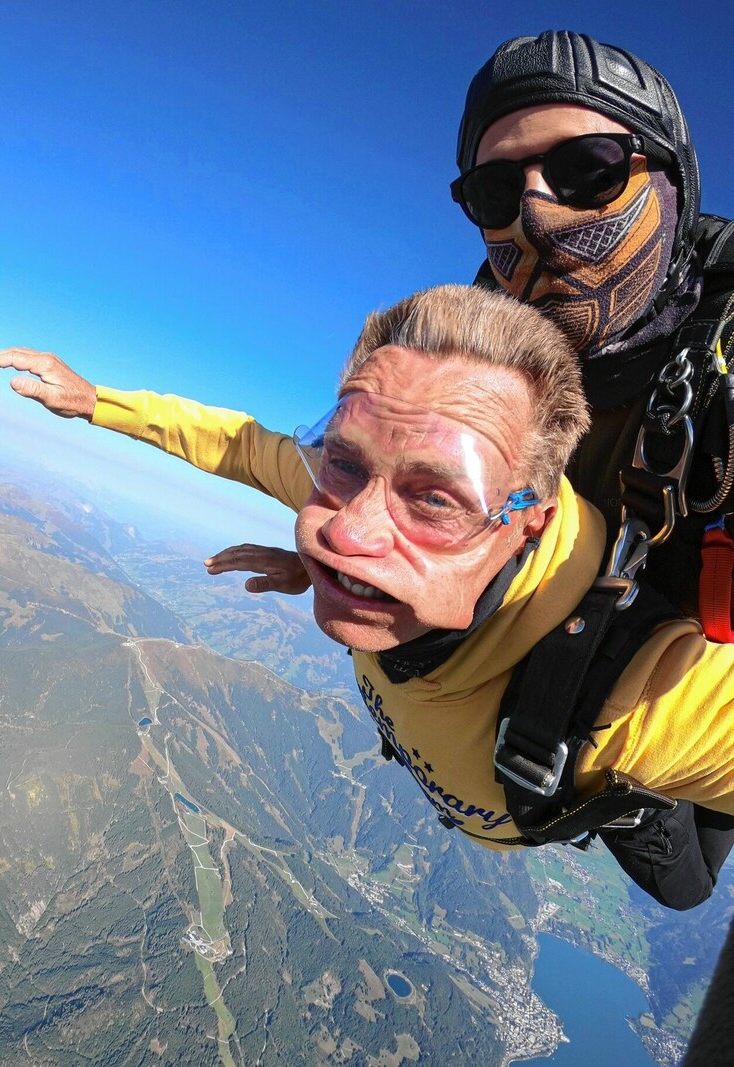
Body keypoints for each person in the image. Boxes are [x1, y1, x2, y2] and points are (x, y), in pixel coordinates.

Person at [0, 284, 734, 910]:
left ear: (525, 522)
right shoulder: (346, 503)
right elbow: (242, 444)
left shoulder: (642, 695)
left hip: (625, 771)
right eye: (343, 460)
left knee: (685, 888)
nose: (347, 531)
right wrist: (96, 401)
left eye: (434, 498)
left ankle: (650, 810)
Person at [206, 30, 734, 907]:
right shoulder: (478, 360)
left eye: (590, 169)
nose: (535, 209)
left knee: (681, 872)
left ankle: (639, 811)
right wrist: (344, 557)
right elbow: (387, 486)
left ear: (669, 180)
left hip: (672, 673)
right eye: (497, 188)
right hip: (573, 647)